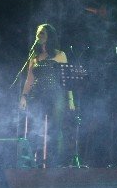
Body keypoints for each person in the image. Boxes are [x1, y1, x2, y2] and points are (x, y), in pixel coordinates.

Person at [19, 23, 75, 167]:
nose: (39, 36)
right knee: (35, 127)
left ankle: (53, 162)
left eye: (42, 33)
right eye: (37, 33)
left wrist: (70, 100)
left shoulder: (60, 55)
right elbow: (29, 79)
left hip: (55, 96)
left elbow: (67, 80)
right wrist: (24, 96)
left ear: (49, 36)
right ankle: (33, 161)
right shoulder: (34, 56)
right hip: (37, 95)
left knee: (54, 128)